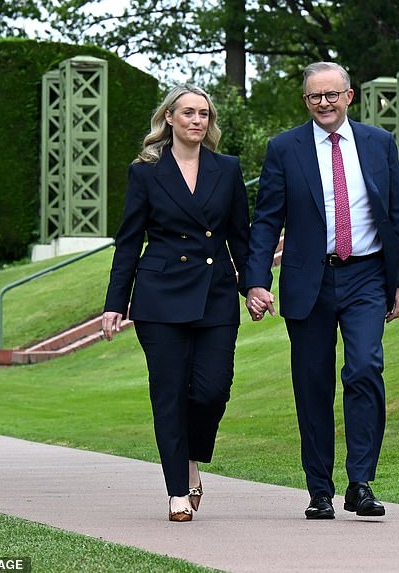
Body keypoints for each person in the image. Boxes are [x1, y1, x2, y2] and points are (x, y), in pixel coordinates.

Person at [245, 62, 399, 520]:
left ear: (349, 96)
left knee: (363, 370)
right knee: (312, 385)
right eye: (315, 97)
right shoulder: (284, 148)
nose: (324, 103)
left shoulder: (378, 144)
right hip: (309, 281)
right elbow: (266, 221)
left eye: (331, 95)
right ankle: (319, 490)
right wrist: (256, 280)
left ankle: (361, 483)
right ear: (306, 101)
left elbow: (397, 213)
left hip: (365, 277)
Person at [102, 84, 250, 523]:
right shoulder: (145, 172)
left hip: (217, 293)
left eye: (203, 114)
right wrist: (116, 303)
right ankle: (177, 491)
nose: (196, 120)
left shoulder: (227, 169)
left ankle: (191, 458)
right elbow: (128, 242)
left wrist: (255, 286)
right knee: (169, 394)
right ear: (169, 118)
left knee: (211, 390)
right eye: (187, 113)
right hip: (160, 296)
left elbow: (241, 237)